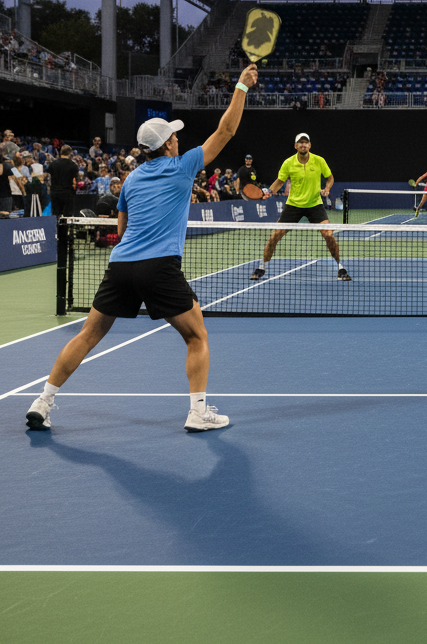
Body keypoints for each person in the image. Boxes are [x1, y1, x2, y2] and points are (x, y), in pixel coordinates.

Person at [25, 64, 260, 434]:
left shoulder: (131, 179)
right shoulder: (184, 167)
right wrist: (242, 88)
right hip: (159, 267)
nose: (178, 139)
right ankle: (198, 412)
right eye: (174, 136)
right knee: (196, 336)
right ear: (167, 144)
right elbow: (226, 130)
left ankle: (43, 401)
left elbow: (121, 229)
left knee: (87, 334)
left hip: (121, 266)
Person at [250, 134, 350, 280]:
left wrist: (327, 188)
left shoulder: (319, 161)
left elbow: (330, 177)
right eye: (300, 143)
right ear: (296, 146)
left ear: (310, 145)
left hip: (314, 204)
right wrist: (270, 192)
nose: (303, 145)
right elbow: (279, 181)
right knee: (275, 236)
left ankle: (340, 268)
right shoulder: (288, 163)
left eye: (306, 142)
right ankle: (262, 267)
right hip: (293, 206)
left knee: (329, 235)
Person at [47, 144, 80, 218]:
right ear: (70, 153)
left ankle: (56, 229)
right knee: (67, 216)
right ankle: (65, 229)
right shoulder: (73, 165)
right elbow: (75, 181)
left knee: (55, 215)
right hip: (67, 193)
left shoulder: (53, 164)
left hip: (55, 193)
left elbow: (48, 178)